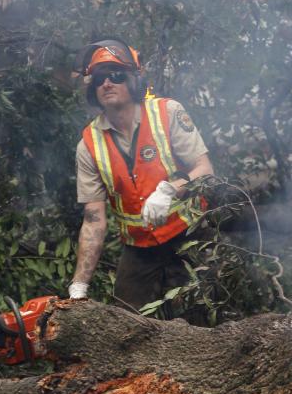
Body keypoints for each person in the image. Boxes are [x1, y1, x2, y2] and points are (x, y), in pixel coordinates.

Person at [67, 38, 214, 313]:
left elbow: (204, 169)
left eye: (116, 75)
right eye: (99, 78)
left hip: (188, 235)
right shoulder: (89, 144)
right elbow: (94, 219)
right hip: (139, 247)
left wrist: (169, 191)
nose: (107, 83)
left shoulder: (166, 112)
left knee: (199, 315)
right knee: (126, 323)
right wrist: (79, 286)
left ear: (133, 80)